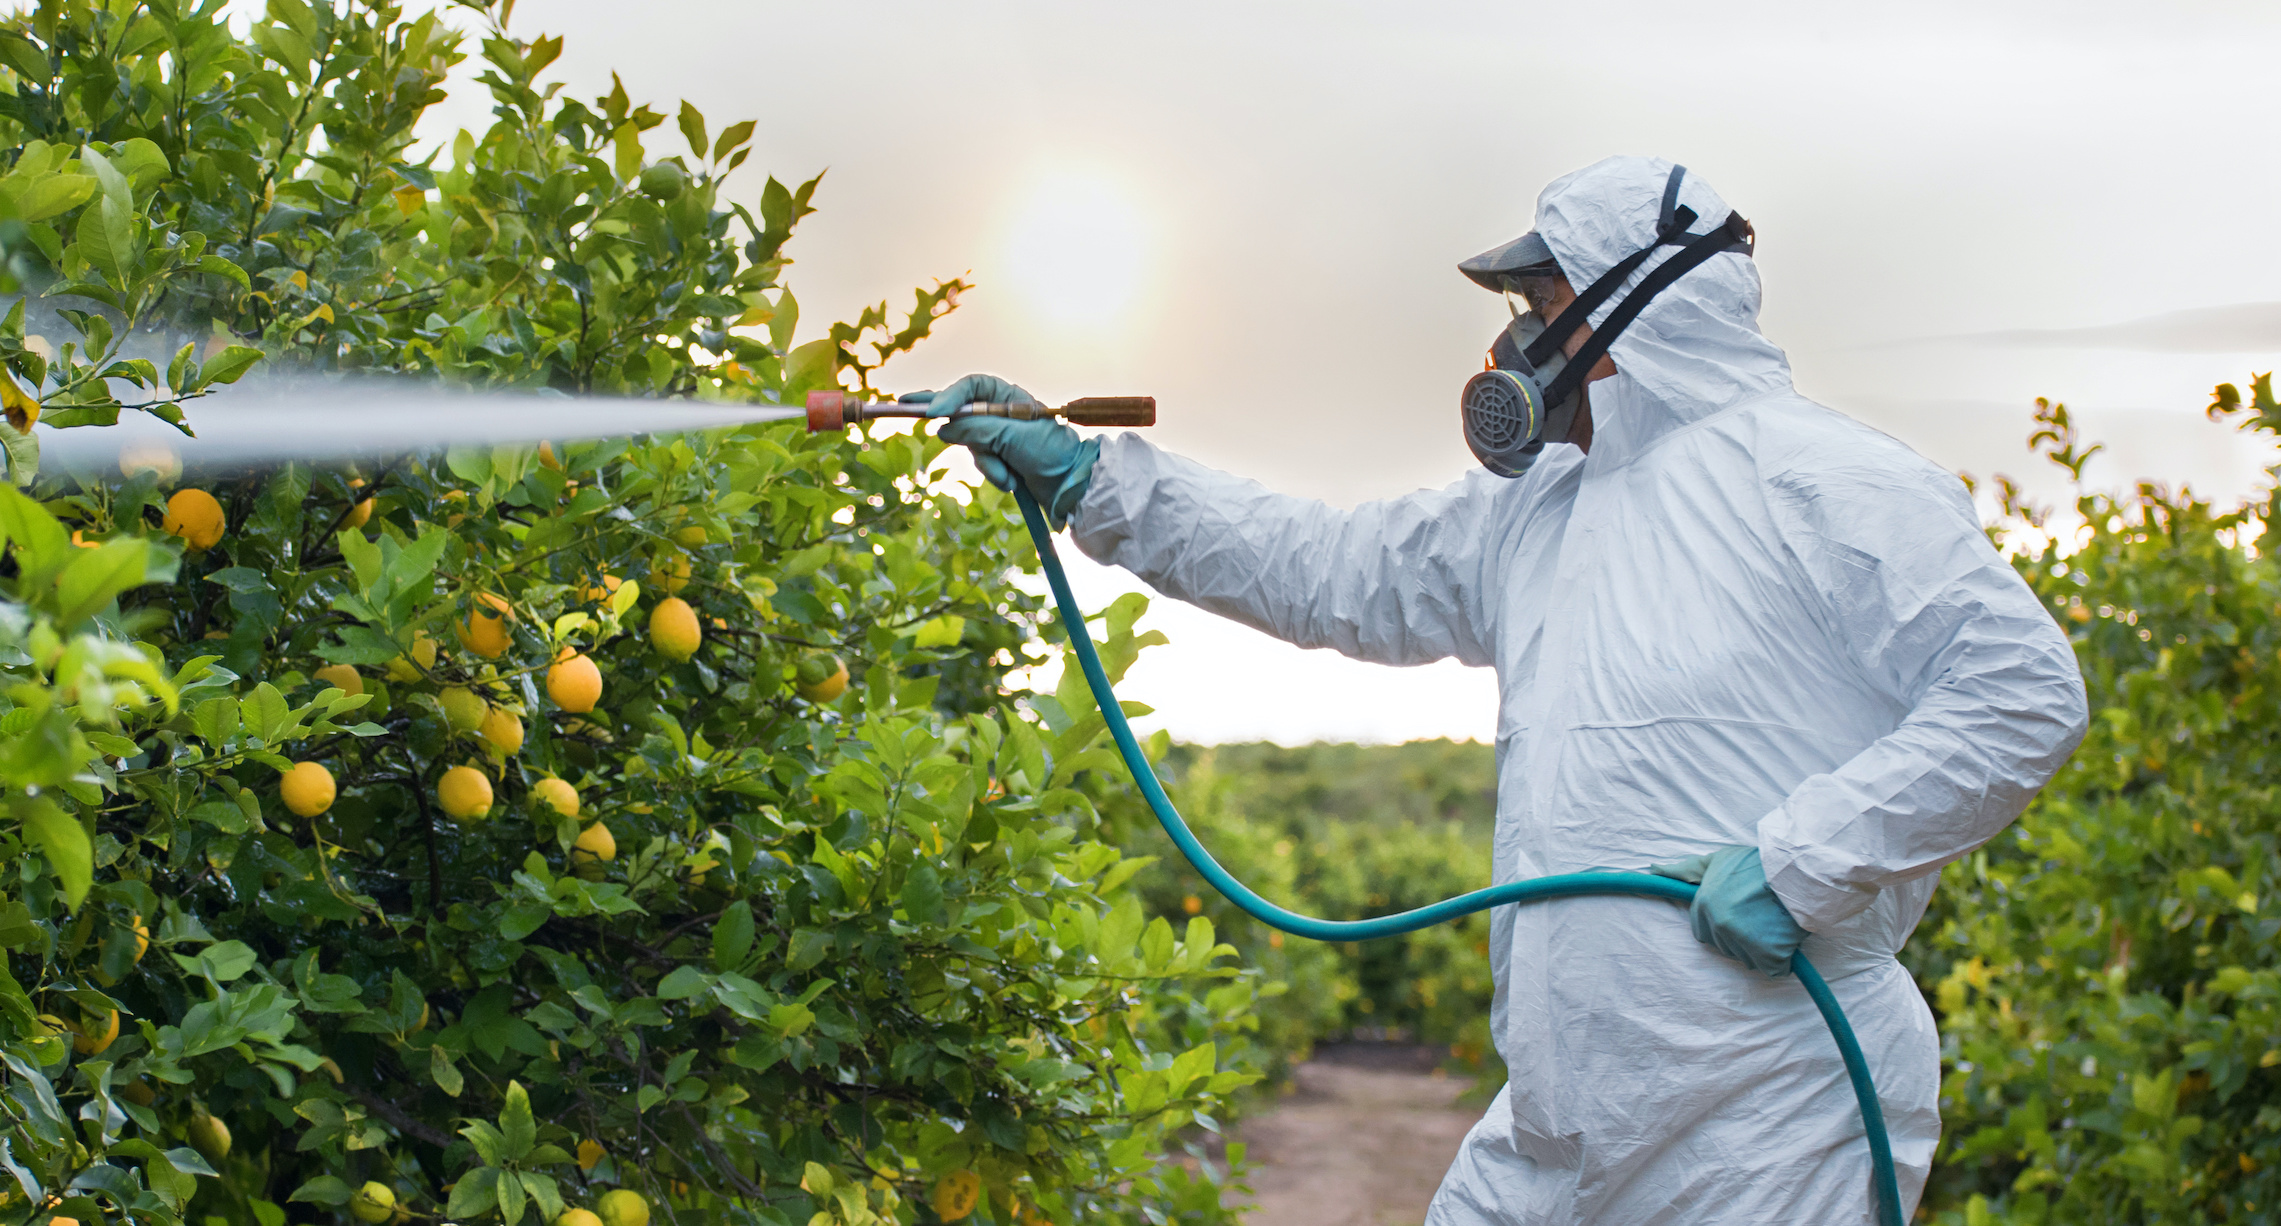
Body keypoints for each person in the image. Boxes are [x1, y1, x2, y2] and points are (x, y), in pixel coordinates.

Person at [928, 155, 2088, 1224]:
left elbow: (2020, 687)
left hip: (1769, 1120)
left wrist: (1804, 859)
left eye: (1534, 311)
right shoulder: (1541, 511)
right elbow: (1331, 564)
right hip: (1560, 1125)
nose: (1511, 346)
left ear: (1628, 313)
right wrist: (1096, 483)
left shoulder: (1823, 480)